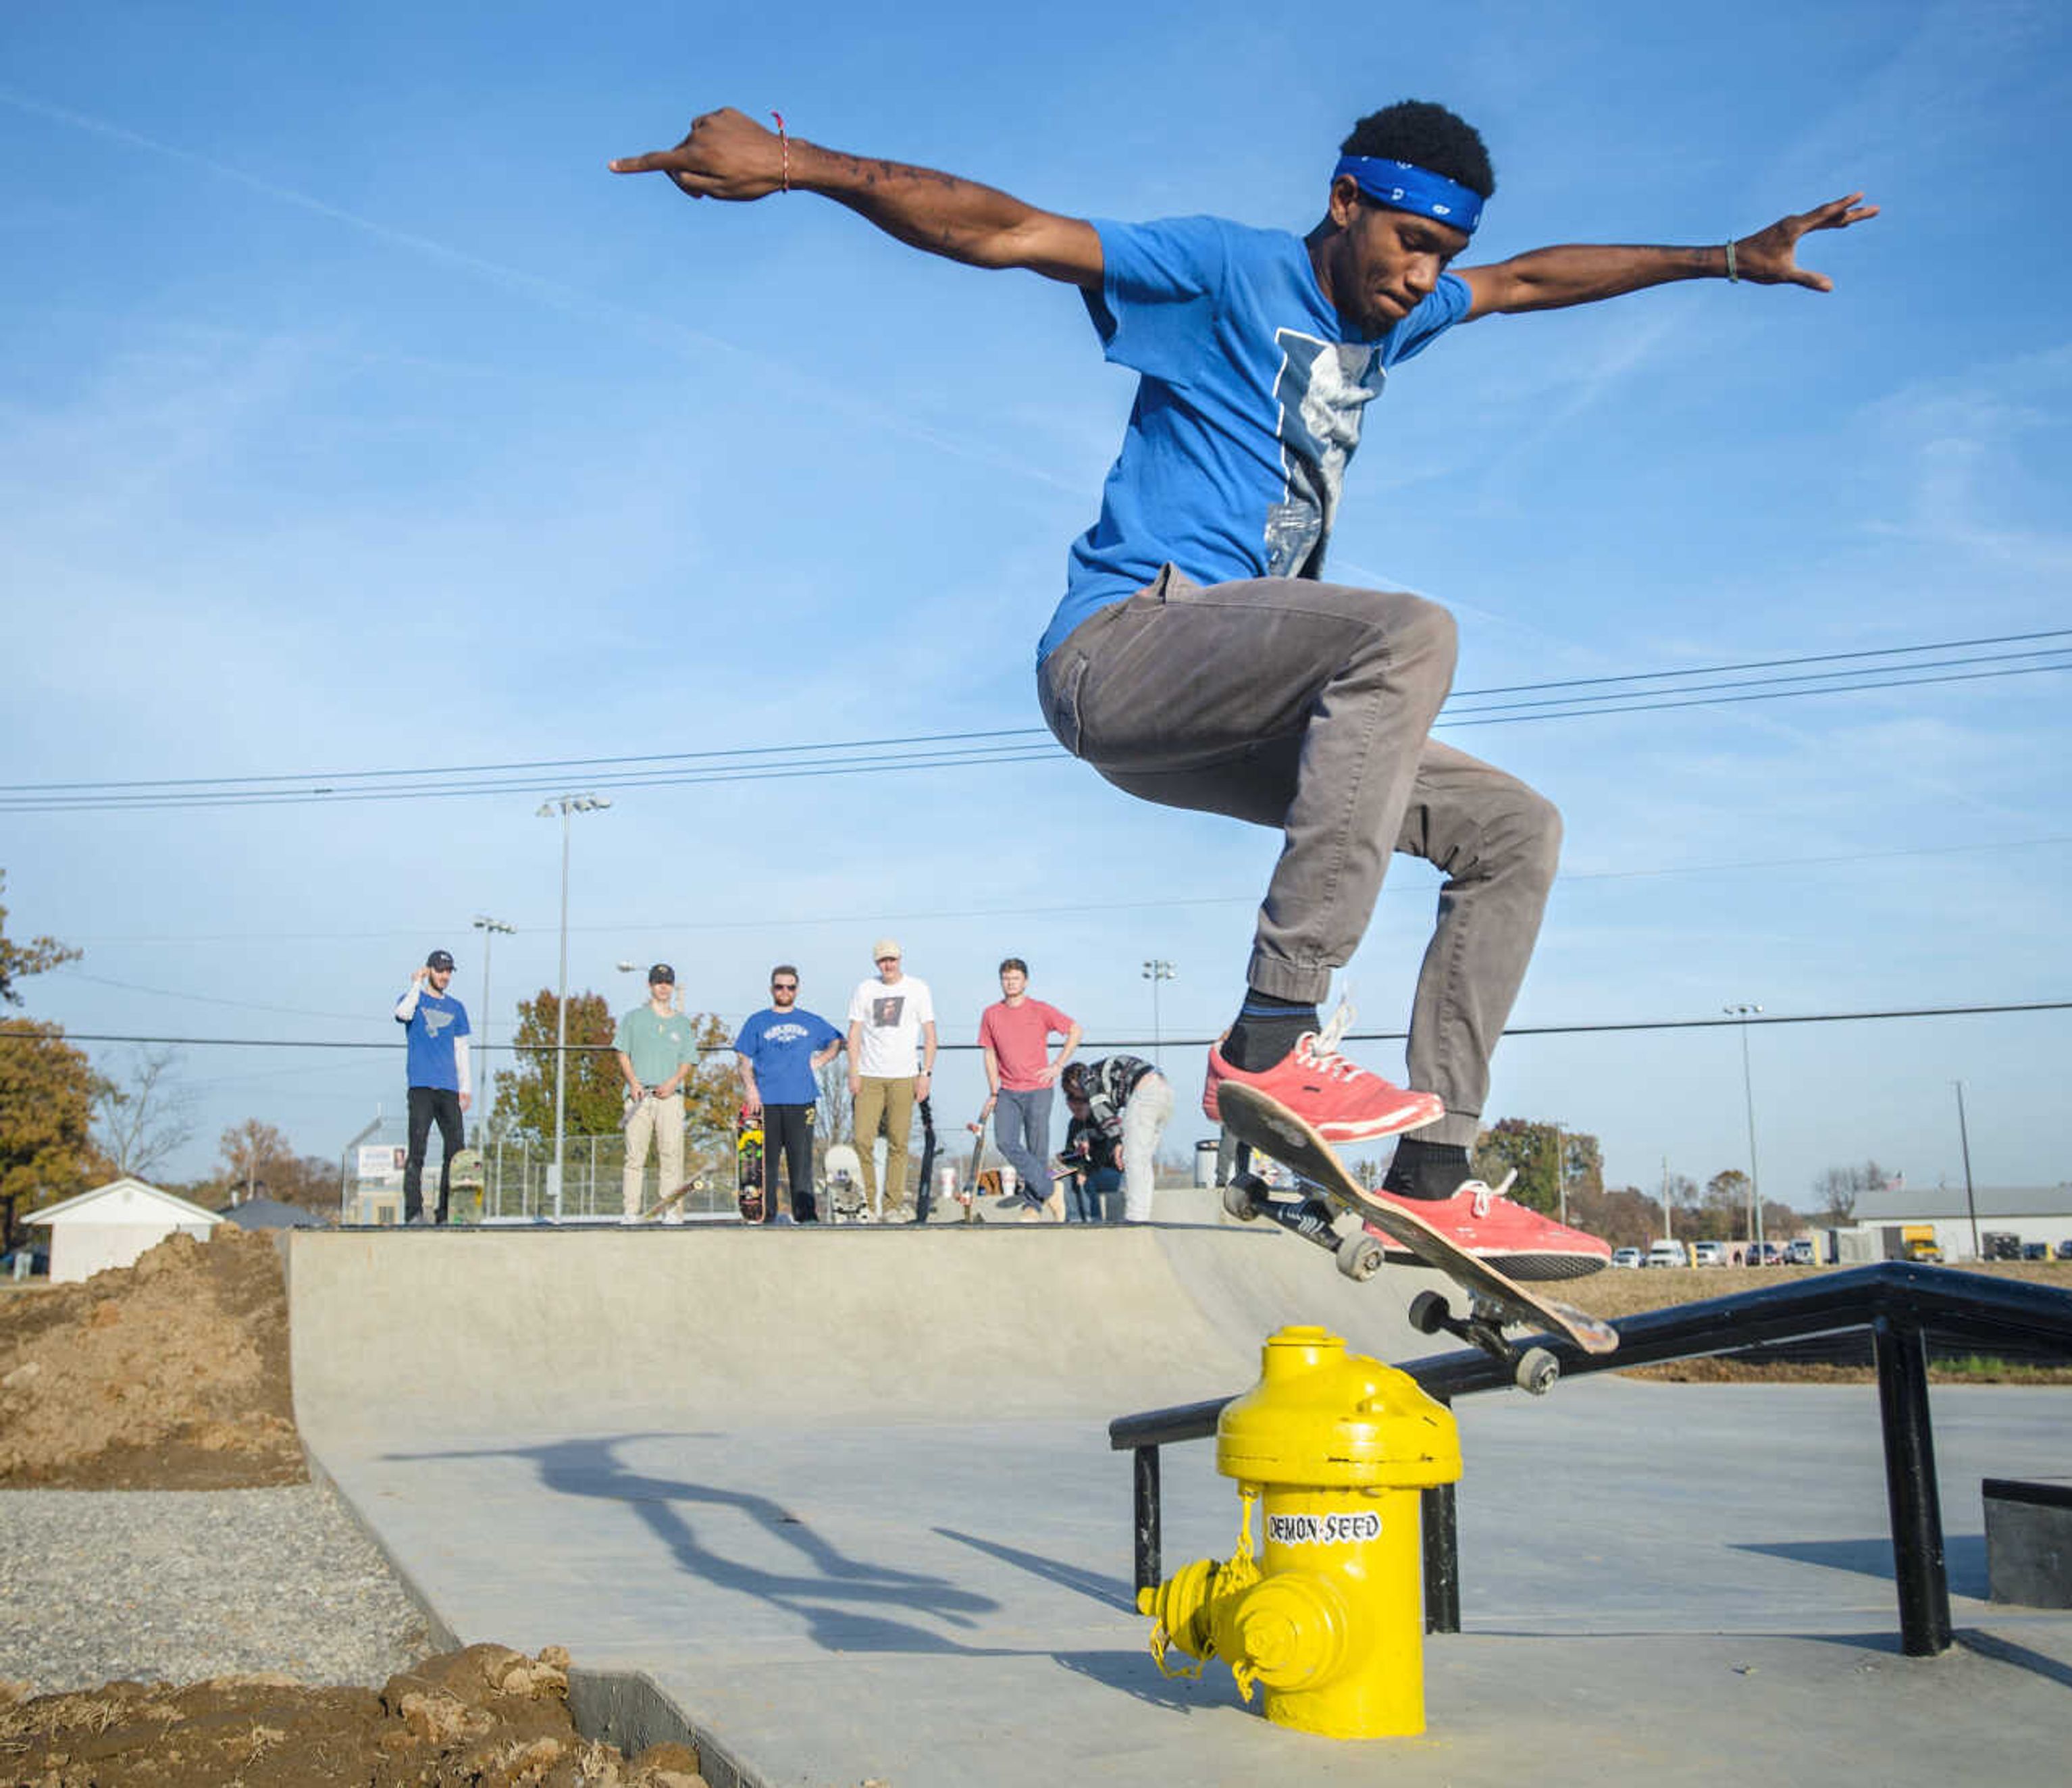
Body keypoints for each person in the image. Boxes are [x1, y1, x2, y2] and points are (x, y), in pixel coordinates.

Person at [614, 101, 1873, 1275]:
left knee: (1512, 831)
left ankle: (1435, 1168)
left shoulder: (1407, 315)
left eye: (1443, 255)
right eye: (1407, 244)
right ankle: (1272, 1034)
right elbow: (1004, 232)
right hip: (1125, 646)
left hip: (1237, 717)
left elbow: (1538, 279)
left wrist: (1721, 258)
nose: (1422, 277)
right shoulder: (1223, 268)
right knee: (1410, 634)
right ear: (1344, 202)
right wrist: (800, 165)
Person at [733, 965, 845, 1223]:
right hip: (766, 1102)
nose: (785, 991)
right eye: (780, 986)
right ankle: (766, 1215)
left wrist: (820, 1061)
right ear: (772, 989)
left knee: (801, 1162)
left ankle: (806, 1216)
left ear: (797, 989)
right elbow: (742, 1057)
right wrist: (750, 1088)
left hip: (801, 1100)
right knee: (766, 1165)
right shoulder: (757, 1021)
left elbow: (838, 1041)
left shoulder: (809, 1021)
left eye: (790, 987)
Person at [976, 959, 1079, 1215]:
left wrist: (1058, 1065)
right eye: (1006, 978)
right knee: (1005, 1141)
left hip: (1038, 1089)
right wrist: (992, 1090)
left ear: (1025, 981)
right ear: (1001, 981)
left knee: (1037, 1149)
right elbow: (989, 1053)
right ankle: (1050, 1190)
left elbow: (1075, 1030)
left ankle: (1033, 1205)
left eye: (1015, 978)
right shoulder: (991, 1014)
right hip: (1008, 1091)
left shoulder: (1040, 1010)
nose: (1010, 983)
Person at [845, 938, 936, 1219]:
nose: (888, 965)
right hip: (870, 1075)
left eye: (892, 960)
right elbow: (855, 1034)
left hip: (904, 1075)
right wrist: (854, 1071)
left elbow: (930, 1036)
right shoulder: (866, 989)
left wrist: (925, 1075)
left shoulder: (917, 988)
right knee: (862, 1139)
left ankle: (892, 1205)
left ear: (900, 960)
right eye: (883, 961)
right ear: (876, 963)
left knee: (899, 1141)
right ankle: (868, 1205)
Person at [393, 949, 471, 1226]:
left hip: (449, 1087)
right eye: (440, 971)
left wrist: (466, 1087)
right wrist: (416, 983)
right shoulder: (412, 999)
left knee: (456, 1150)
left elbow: (462, 1049)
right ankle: (414, 1211)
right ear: (430, 971)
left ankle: (446, 1212)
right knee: (418, 1148)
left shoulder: (456, 1008)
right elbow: (402, 1014)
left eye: (449, 971)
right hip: (421, 1086)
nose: (445, 976)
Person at [615, 963, 698, 1224]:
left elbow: (688, 1060)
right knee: (634, 1156)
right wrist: (634, 1082)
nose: (663, 987)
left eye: (668, 982)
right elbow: (622, 1052)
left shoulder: (682, 1024)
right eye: (658, 982)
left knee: (671, 1155)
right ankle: (630, 1211)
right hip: (639, 1097)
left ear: (672, 987)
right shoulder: (634, 1018)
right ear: (650, 985)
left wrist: (674, 1082)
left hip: (670, 1098)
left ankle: (670, 1210)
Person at [1061, 1055, 1172, 1224]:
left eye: (1074, 1095)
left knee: (1133, 1159)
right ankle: (1142, 1214)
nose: (1078, 1099)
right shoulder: (1098, 1081)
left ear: (1073, 1084)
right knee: (1142, 1159)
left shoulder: (1088, 1078)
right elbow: (1108, 1114)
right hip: (1163, 1090)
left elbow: (1104, 1114)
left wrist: (1116, 1142)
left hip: (1146, 1091)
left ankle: (1136, 1217)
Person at [1056, 1078, 1124, 1224]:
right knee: (1067, 1176)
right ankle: (1074, 1218)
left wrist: (1084, 1170)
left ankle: (1094, 1218)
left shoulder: (1101, 1119)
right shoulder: (1074, 1123)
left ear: (1088, 1104)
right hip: (1088, 1170)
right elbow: (1072, 1151)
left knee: (1087, 1178)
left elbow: (1103, 1155)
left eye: (1079, 1110)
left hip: (1111, 1173)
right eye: (1072, 1111)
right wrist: (1065, 1157)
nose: (1076, 1114)